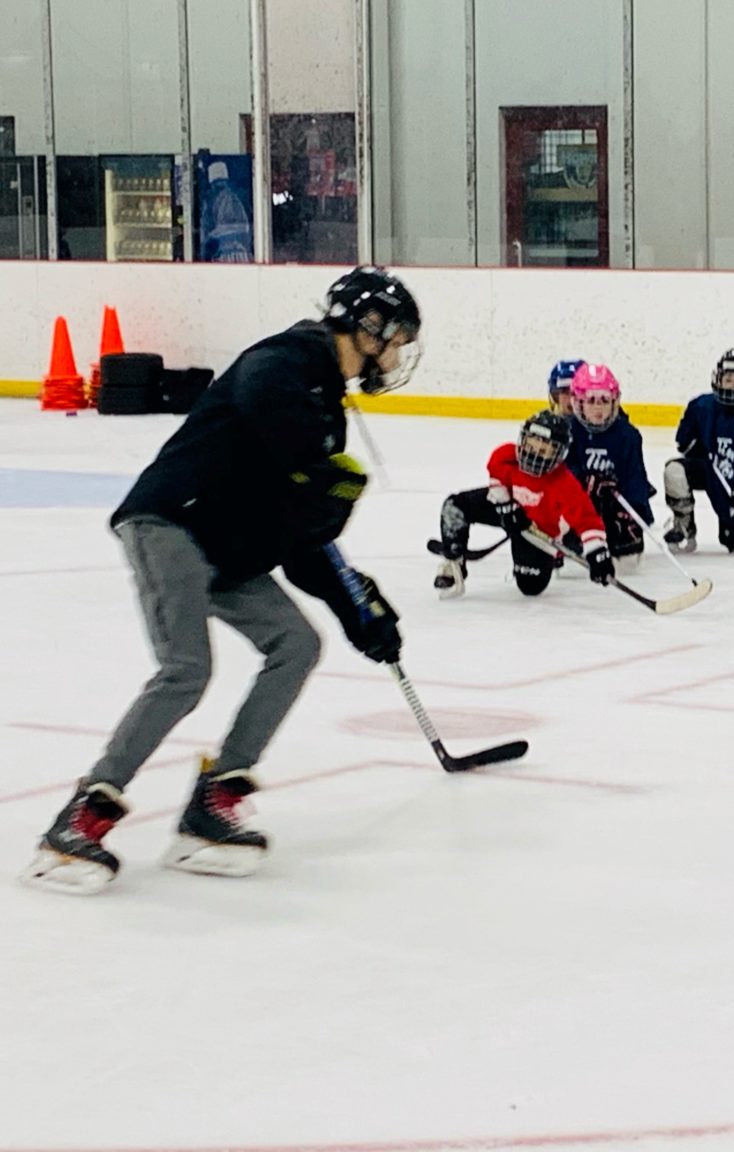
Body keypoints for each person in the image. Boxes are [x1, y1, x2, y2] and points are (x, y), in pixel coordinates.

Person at [25, 266, 422, 894]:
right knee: (186, 669)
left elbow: (303, 538)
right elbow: (264, 399)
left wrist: (357, 606)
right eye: (396, 338)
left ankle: (214, 802)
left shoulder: (324, 404)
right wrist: (315, 473)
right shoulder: (290, 359)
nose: (398, 352)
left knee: (296, 645)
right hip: (172, 523)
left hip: (225, 550)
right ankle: (79, 821)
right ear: (368, 328)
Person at [433, 411, 615, 599]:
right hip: (507, 510)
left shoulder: (564, 483)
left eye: (544, 452)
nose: (534, 456)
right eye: (531, 446)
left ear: (559, 454)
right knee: (455, 506)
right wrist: (504, 504)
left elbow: (587, 520)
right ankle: (454, 562)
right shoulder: (506, 455)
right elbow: (496, 472)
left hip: (536, 530)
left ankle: (565, 542)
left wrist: (597, 552)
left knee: (530, 586)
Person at [662, 349, 734, 555]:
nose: (732, 386)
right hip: (709, 470)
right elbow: (683, 440)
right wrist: (691, 443)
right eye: (728, 379)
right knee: (674, 471)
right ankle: (683, 525)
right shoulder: (702, 406)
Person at [566, 362, 654, 573]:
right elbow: (564, 475)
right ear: (578, 402)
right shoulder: (567, 432)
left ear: (615, 401)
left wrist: (633, 513)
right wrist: (588, 483)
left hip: (615, 507)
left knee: (628, 565)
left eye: (604, 400)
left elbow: (635, 478)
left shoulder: (628, 435)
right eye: (591, 400)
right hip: (579, 507)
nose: (598, 407)